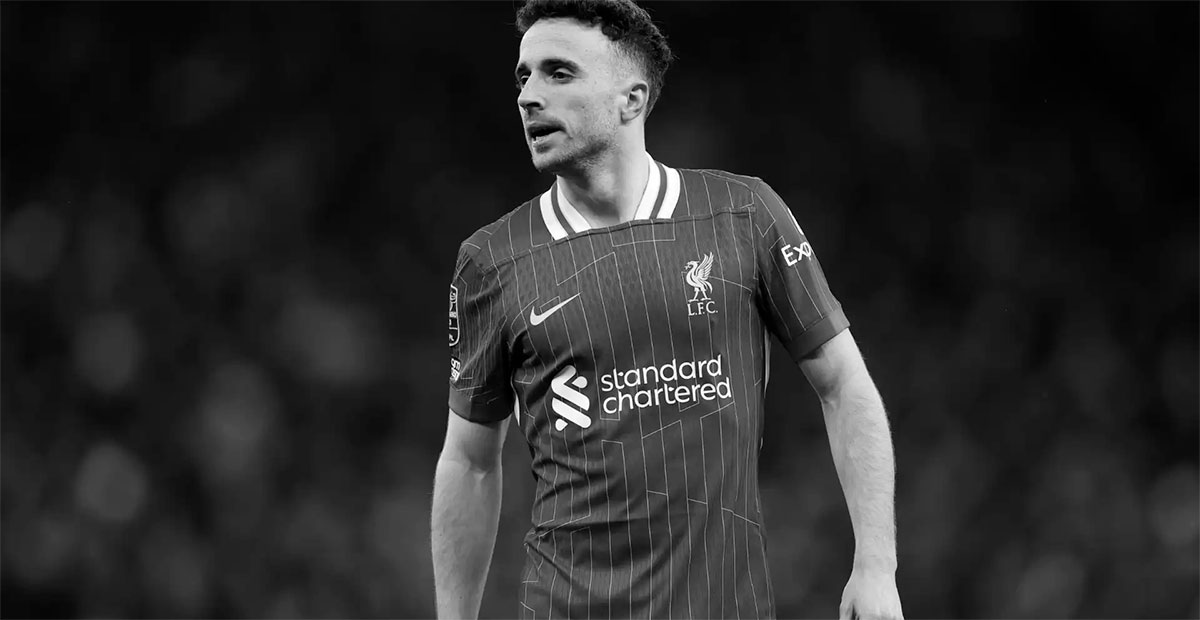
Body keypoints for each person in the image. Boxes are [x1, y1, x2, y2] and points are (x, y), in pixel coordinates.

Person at [431, 1, 903, 618]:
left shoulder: (743, 215)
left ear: (632, 99)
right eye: (523, 77)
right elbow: (470, 461)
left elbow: (843, 385)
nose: (528, 96)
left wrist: (876, 566)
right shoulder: (492, 261)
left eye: (558, 73)